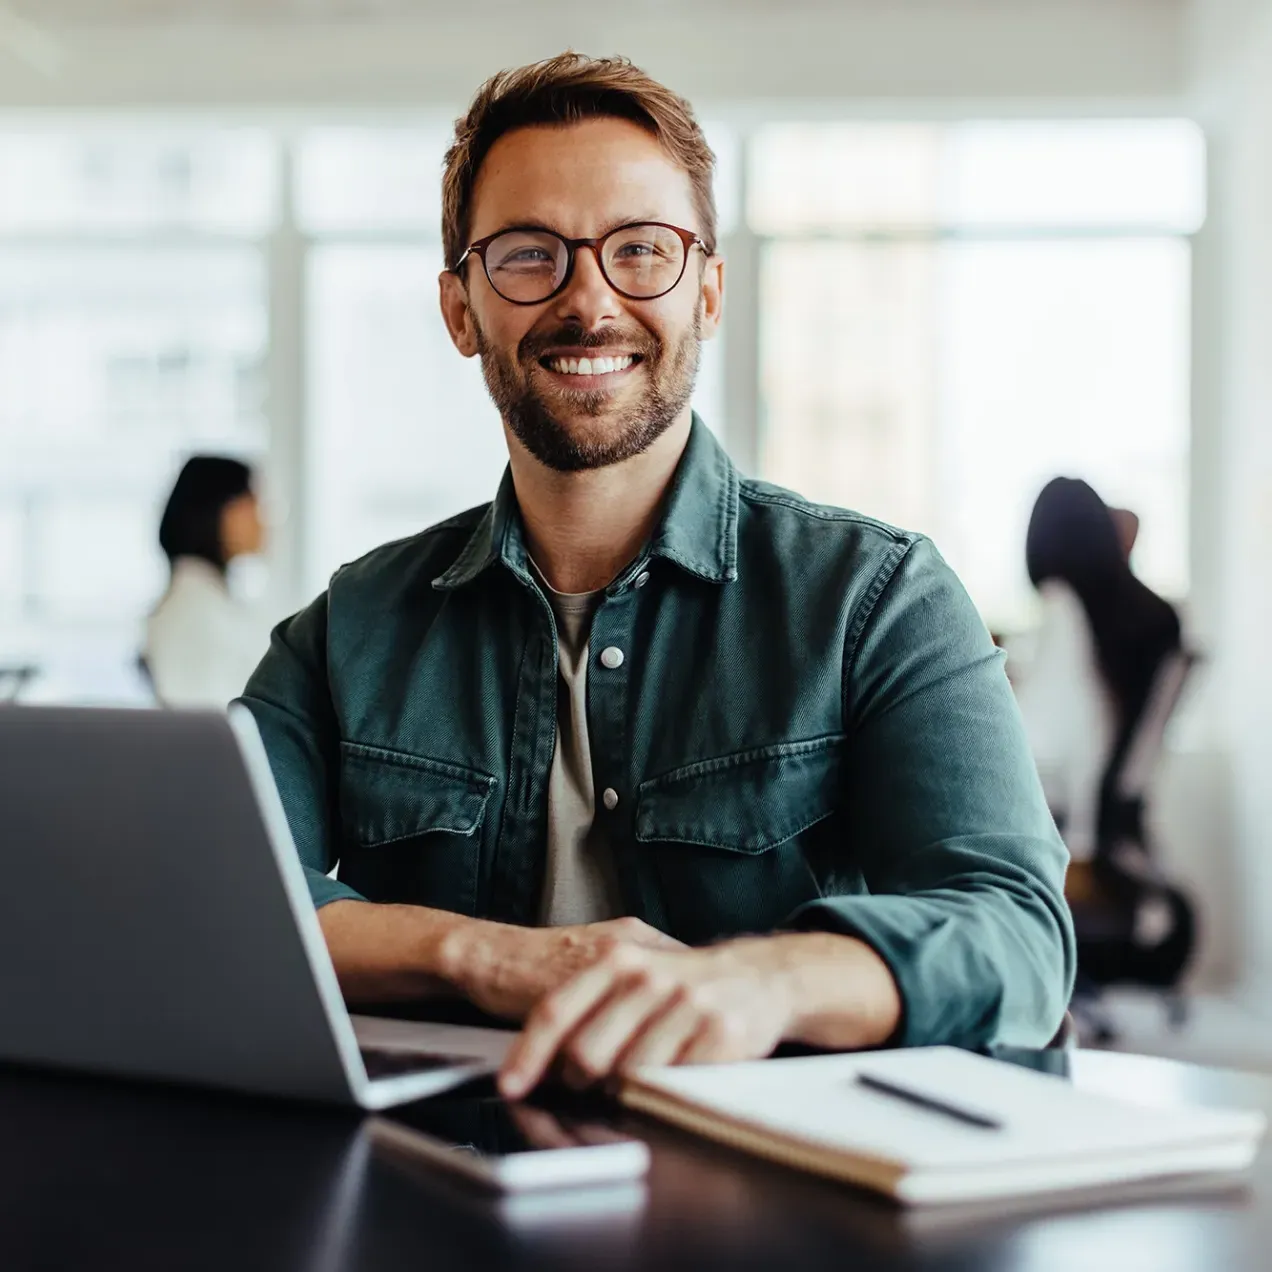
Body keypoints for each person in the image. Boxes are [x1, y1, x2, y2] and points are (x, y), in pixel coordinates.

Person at [240, 53, 1074, 1098]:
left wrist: (765, 981)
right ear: (461, 310)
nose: (590, 301)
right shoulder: (347, 629)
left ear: (709, 292)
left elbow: (1016, 935)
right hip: (440, 1183)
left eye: (641, 250)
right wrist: (488, 955)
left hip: (779, 1204)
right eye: (530, 255)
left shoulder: (875, 598)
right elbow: (220, 902)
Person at [1015, 479, 1183, 864]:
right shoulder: (1153, 617)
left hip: (1067, 836)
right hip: (1119, 834)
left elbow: (1043, 741)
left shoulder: (1063, 607)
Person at [146, 456, 269, 709]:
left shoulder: (208, 597)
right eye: (252, 503)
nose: (262, 520)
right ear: (219, 510)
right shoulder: (192, 608)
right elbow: (212, 721)